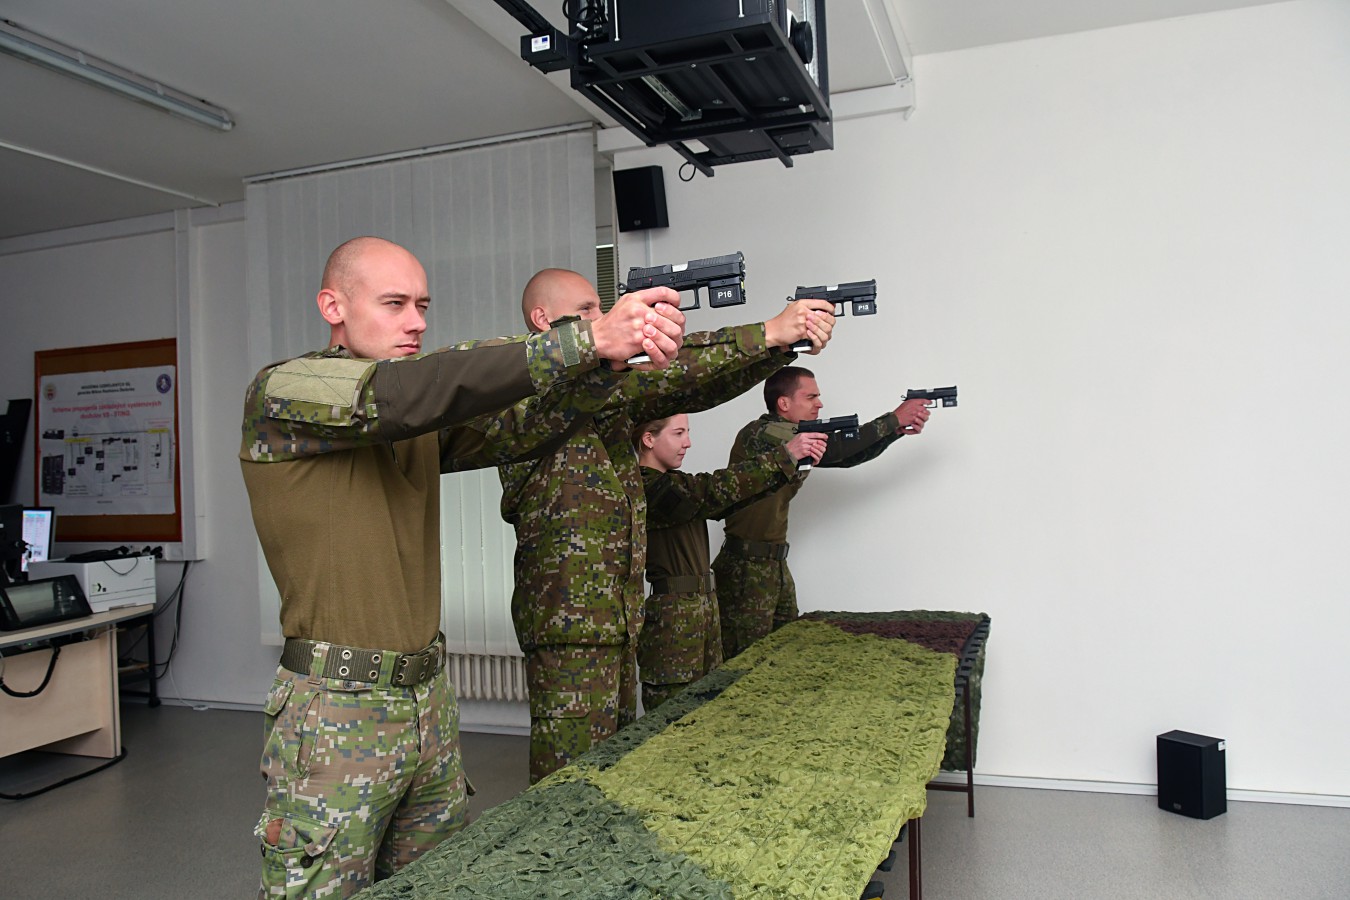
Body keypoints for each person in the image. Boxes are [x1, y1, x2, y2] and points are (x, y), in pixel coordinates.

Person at [239, 236, 686, 898]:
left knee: (436, 884)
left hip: (427, 700)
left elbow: (519, 423)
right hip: (336, 709)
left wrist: (605, 367)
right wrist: (586, 339)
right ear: (333, 307)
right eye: (394, 304)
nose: (416, 322)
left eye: (422, 306)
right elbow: (416, 389)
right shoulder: (285, 390)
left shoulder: (412, 416)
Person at [496, 267, 836, 782]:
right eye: (587, 310)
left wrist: (777, 348)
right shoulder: (529, 387)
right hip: (568, 626)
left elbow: (690, 386)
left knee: (613, 770)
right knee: (566, 782)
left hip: (615, 621)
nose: (601, 317)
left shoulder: (603, 396)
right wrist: (768, 333)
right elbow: (675, 375)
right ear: (543, 320)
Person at [712, 366, 933, 660]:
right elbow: (836, 449)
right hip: (745, 568)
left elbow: (846, 457)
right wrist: (893, 418)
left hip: (773, 564)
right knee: (745, 660)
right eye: (811, 397)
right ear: (784, 403)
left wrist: (894, 431)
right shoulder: (763, 433)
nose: (819, 404)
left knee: (782, 653)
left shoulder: (795, 439)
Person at [633, 413, 826, 710]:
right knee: (671, 716)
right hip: (674, 620)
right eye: (678, 433)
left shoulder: (675, 483)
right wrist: (783, 456)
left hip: (703, 611)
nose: (688, 442)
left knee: (710, 711)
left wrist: (794, 465)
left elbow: (732, 498)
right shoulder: (646, 488)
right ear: (648, 439)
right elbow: (711, 491)